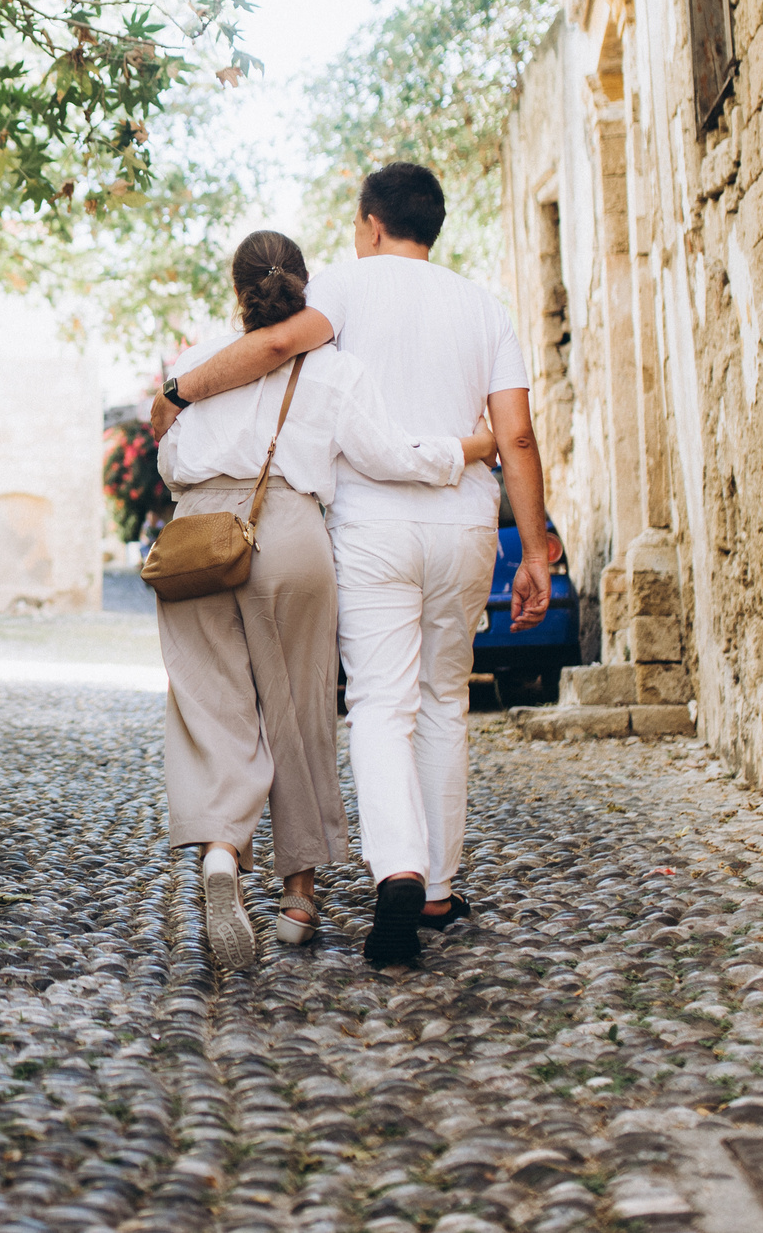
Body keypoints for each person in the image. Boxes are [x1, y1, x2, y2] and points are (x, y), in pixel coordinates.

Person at [151, 164, 557, 968]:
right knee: (437, 699)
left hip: (359, 528)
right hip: (458, 523)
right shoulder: (484, 306)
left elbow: (271, 348)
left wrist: (180, 390)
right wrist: (535, 546)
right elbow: (516, 435)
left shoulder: (339, 288)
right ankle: (421, 886)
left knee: (375, 701)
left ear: (370, 223)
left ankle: (382, 865)